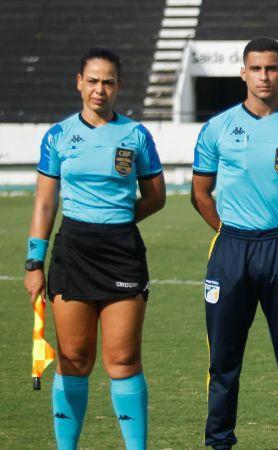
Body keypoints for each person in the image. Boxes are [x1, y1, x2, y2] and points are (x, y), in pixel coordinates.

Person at [23, 47, 166, 450]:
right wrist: (34, 261)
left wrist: (116, 219)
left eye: (108, 82)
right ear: (79, 82)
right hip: (73, 251)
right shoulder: (58, 135)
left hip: (121, 250)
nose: (99, 89)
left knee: (122, 360)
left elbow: (155, 197)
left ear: (118, 86)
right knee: (73, 359)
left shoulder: (136, 136)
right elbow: (45, 203)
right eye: (92, 80)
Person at [190, 37, 278, 450]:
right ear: (243, 73)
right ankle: (219, 441)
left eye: (271, 68)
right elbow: (200, 192)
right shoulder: (217, 128)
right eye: (256, 68)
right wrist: (227, 229)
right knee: (224, 359)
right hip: (231, 249)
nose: (264, 76)